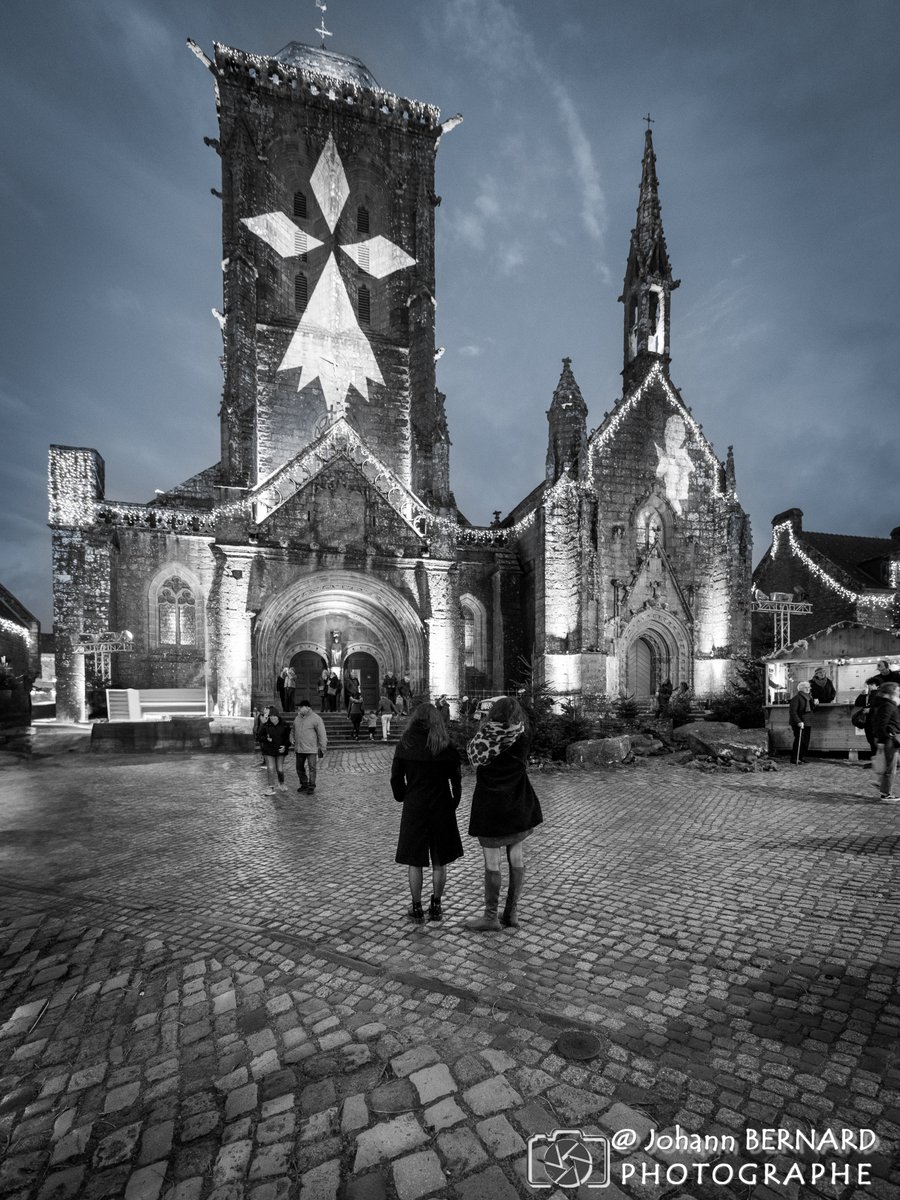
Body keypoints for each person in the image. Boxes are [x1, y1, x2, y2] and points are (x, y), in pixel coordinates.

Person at [465, 696, 543, 931]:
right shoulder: (523, 735)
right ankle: (512, 913)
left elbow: (473, 758)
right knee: (516, 857)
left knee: (492, 862)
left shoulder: (484, 738)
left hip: (491, 806)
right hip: (518, 803)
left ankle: (491, 916)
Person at [392, 703, 464, 923]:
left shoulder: (405, 743)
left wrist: (403, 795)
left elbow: (396, 778)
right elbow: (456, 779)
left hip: (415, 806)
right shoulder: (445, 744)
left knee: (415, 860)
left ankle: (416, 907)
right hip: (441, 805)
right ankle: (436, 905)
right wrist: (453, 802)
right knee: (439, 860)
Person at [870, 682, 900, 802]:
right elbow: (881, 724)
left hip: (889, 738)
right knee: (890, 767)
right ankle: (886, 793)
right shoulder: (887, 705)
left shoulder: (887, 704)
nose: (899, 692)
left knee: (891, 764)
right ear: (890, 692)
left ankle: (879, 782)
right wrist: (884, 738)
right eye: (897, 690)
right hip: (889, 739)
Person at [291, 698, 328, 794]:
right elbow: (293, 730)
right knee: (299, 768)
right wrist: (291, 738)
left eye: (301, 707)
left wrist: (323, 747)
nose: (299, 708)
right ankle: (304, 784)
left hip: (311, 748)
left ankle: (311, 786)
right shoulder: (297, 718)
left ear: (307, 707)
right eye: (298, 707)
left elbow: (322, 734)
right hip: (299, 748)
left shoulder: (316, 718)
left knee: (312, 768)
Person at [258, 710, 291, 794]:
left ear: (278, 716)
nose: (272, 718)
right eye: (271, 716)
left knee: (280, 769)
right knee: (271, 768)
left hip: (280, 751)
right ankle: (271, 787)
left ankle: (281, 783)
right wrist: (266, 739)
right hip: (268, 751)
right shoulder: (265, 726)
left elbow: (288, 739)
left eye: (274, 716)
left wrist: (285, 746)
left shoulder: (285, 726)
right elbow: (259, 736)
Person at [851, 681, 879, 764]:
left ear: (876, 685)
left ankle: (879, 760)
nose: (868, 687)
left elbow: (881, 707)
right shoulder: (867, 695)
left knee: (875, 741)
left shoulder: (879, 694)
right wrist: (862, 694)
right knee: (870, 740)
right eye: (867, 685)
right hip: (868, 721)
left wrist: (871, 710)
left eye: (870, 685)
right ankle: (874, 760)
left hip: (876, 721)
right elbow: (858, 703)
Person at [788, 681, 813, 765]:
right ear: (801, 689)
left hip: (807, 722)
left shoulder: (809, 698)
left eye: (809, 687)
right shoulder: (796, 698)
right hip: (799, 722)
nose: (808, 689)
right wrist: (798, 721)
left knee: (805, 741)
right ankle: (794, 758)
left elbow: (812, 709)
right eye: (806, 687)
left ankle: (801, 757)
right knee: (799, 740)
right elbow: (793, 712)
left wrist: (815, 704)